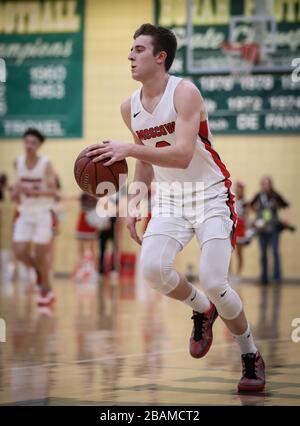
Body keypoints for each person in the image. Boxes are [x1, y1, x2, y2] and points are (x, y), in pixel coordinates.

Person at [86, 24, 265, 392]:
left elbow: (182, 155)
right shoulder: (129, 107)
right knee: (152, 270)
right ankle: (202, 309)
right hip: (169, 200)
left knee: (216, 280)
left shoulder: (184, 92)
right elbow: (145, 162)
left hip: (211, 194)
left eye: (138, 49)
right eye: (130, 49)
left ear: (160, 57)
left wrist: (129, 148)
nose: (130, 55)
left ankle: (250, 354)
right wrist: (136, 203)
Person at [11, 128, 57, 306]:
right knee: (20, 252)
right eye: (27, 142)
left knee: (40, 255)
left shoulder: (45, 163)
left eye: (33, 143)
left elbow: (54, 192)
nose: (29, 146)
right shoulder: (18, 162)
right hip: (25, 213)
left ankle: (47, 291)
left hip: (43, 214)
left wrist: (32, 191)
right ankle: (40, 273)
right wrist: (16, 192)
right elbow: (18, 186)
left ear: (39, 146)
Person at [249, 176, 290, 285]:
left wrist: (286, 218)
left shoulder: (275, 196)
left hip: (273, 228)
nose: (266, 186)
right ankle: (264, 278)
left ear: (270, 185)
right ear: (262, 185)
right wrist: (256, 216)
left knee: (275, 252)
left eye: (268, 184)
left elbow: (286, 205)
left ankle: (277, 278)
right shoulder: (258, 196)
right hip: (262, 229)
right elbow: (250, 205)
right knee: (263, 254)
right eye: (264, 184)